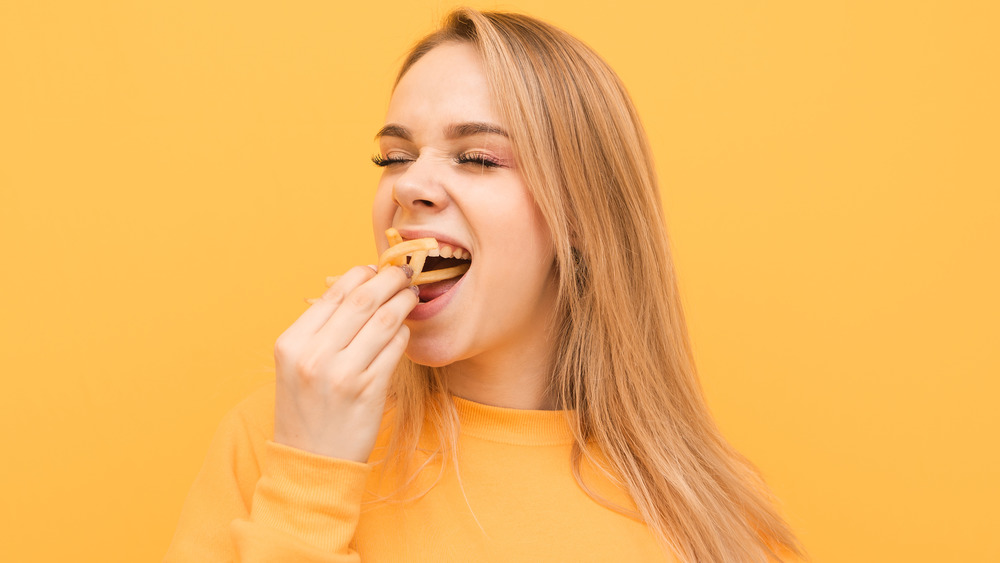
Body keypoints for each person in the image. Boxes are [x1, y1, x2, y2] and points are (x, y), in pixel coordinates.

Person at [165, 8, 803, 562]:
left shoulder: (704, 512)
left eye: (476, 158)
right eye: (393, 157)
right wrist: (310, 480)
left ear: (579, 212)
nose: (408, 185)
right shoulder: (280, 437)